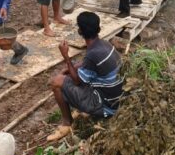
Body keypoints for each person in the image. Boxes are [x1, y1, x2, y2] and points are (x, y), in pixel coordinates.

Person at [46, 11, 124, 142]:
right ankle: (78, 108)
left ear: (80, 31)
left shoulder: (92, 54)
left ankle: (66, 123)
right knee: (67, 75)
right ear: (98, 28)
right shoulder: (104, 44)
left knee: (56, 82)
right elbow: (85, 65)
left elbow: (77, 81)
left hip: (106, 105)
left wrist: (66, 57)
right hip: (116, 98)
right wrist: (67, 70)